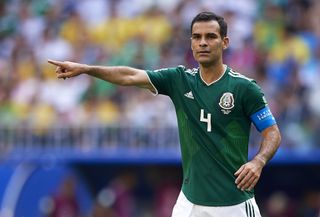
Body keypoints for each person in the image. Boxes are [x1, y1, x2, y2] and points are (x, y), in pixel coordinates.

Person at [48, 11, 281, 217]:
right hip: (189, 203)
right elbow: (129, 76)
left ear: (225, 42)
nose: (203, 43)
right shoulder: (179, 80)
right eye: (197, 37)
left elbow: (272, 132)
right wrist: (87, 69)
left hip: (234, 204)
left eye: (210, 36)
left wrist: (258, 161)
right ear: (190, 42)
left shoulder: (244, 88)